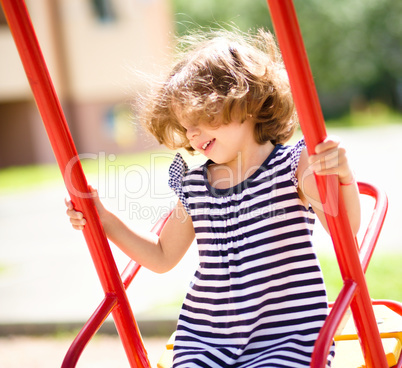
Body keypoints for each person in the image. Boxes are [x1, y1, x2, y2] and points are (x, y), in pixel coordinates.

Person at [65, 28, 360, 368]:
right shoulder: (195, 185)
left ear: (245, 100)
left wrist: (342, 176)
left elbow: (346, 229)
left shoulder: (294, 166)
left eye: (200, 118)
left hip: (287, 337)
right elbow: (162, 255)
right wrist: (106, 221)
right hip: (206, 340)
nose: (191, 133)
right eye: (185, 124)